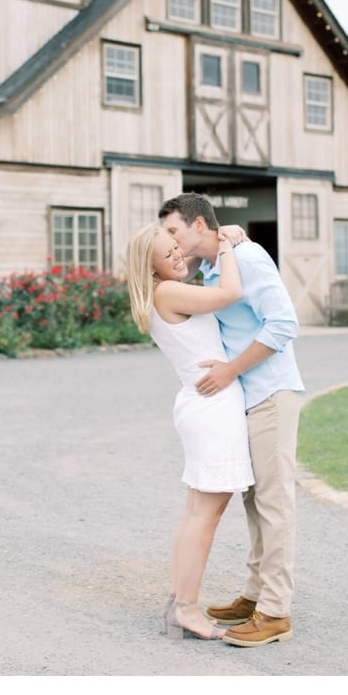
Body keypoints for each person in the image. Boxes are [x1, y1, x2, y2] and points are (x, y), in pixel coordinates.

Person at [159, 192, 305, 648]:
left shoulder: (247, 256)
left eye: (174, 231)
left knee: (275, 503)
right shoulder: (210, 269)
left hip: (270, 393)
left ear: (199, 225)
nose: (172, 242)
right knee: (254, 502)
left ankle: (275, 611)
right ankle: (254, 594)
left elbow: (282, 324)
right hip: (243, 399)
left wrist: (230, 371)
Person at [125, 222, 253, 641]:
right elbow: (230, 293)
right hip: (212, 409)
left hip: (205, 405)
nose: (179, 255)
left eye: (177, 246)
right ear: (152, 268)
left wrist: (205, 246)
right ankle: (186, 608)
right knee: (205, 518)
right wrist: (229, 245)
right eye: (168, 254)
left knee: (198, 514)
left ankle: (179, 600)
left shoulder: (166, 288)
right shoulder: (168, 292)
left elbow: (194, 266)